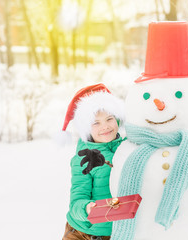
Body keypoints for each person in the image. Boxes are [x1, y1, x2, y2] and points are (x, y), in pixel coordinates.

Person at [60, 83, 125, 240]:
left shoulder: (126, 147)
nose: (105, 126)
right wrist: (86, 208)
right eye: (96, 122)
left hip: (117, 231)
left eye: (109, 119)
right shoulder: (84, 158)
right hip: (85, 233)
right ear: (86, 128)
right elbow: (77, 199)